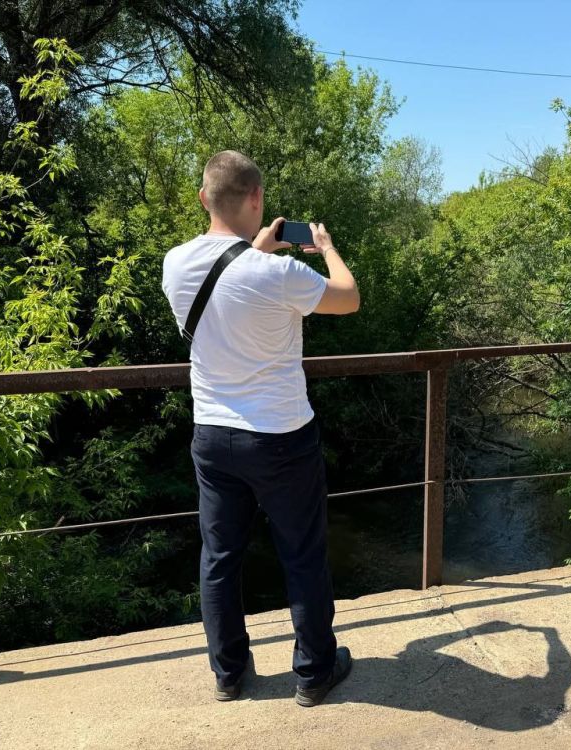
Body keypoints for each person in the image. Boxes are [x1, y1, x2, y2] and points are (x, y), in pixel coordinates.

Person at [161, 150, 360, 706]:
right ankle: (314, 672)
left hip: (211, 435)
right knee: (302, 554)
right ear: (257, 198)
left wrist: (257, 250)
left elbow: (229, 290)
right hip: (281, 437)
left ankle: (228, 673)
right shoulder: (280, 273)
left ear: (203, 198)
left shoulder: (174, 263)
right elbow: (348, 298)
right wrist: (326, 248)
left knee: (219, 557)